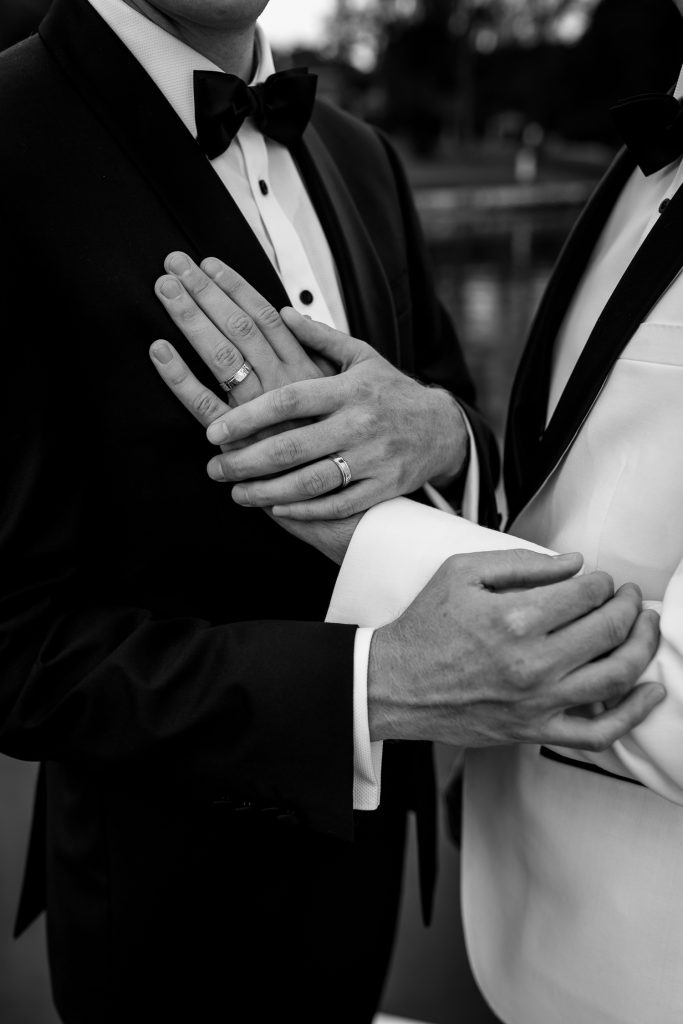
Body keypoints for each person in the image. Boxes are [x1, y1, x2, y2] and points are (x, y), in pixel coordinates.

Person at [0, 1, 663, 1022]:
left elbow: (461, 430)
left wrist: (445, 429)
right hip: (160, 900)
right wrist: (368, 689)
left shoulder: (360, 156)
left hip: (374, 872)